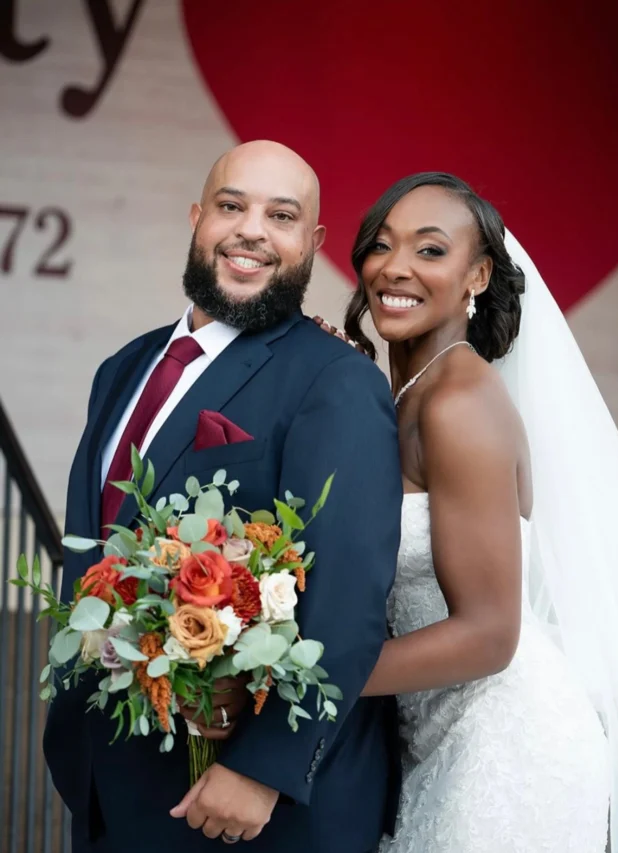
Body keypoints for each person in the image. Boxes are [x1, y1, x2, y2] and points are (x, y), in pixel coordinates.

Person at [44, 140, 403, 853]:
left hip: (245, 807)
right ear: (197, 216)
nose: (252, 231)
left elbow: (349, 595)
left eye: (282, 215)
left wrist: (264, 768)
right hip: (110, 779)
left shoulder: (336, 381)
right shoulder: (121, 368)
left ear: (313, 242)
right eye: (232, 206)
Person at [342, 172, 617, 852]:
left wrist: (307, 675)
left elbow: (491, 635)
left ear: (478, 275)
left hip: (509, 749)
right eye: (381, 244)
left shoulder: (458, 403)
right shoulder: (408, 393)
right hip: (439, 736)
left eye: (431, 250)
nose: (395, 266)